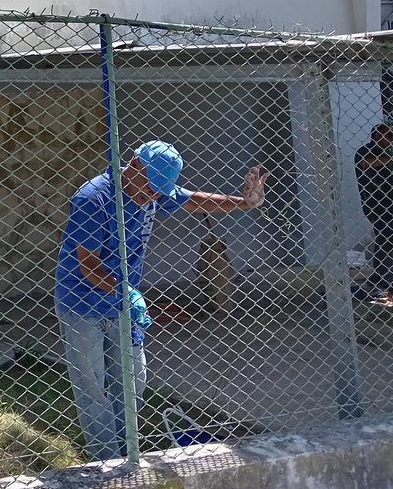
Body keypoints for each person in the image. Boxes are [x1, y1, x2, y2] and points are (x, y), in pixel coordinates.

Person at [54, 140, 268, 462]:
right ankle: (108, 458)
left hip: (123, 304)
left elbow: (195, 201)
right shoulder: (93, 198)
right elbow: (88, 264)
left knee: (134, 380)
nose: (153, 196)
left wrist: (243, 202)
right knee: (93, 387)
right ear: (134, 166)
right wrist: (126, 292)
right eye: (150, 188)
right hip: (82, 302)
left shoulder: (152, 193)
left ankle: (128, 450)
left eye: (160, 191)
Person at [355, 124, 393, 300]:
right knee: (385, 239)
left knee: (390, 240)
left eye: (392, 136)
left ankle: (383, 275)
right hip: (377, 204)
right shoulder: (366, 151)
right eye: (388, 136)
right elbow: (366, 163)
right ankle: (383, 279)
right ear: (377, 135)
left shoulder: (389, 153)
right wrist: (392, 159)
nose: (392, 139)